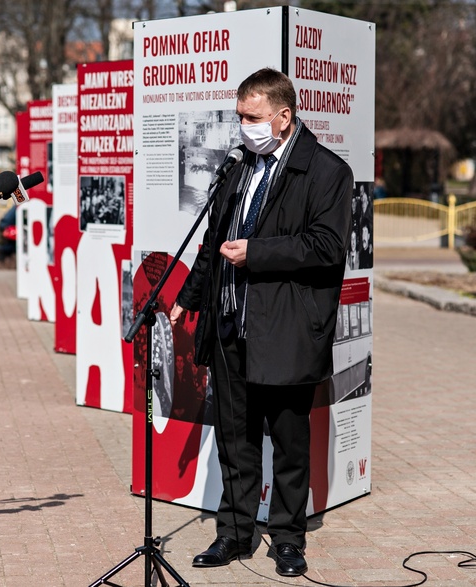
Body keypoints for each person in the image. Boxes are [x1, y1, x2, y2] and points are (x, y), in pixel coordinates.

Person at [170, 68, 352, 578]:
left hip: (287, 330)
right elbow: (213, 240)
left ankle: (289, 539)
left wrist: (258, 253)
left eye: (251, 117)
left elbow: (326, 247)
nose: (242, 126)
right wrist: (190, 295)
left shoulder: (325, 171)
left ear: (283, 116)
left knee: (290, 444)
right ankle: (233, 533)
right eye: (239, 116)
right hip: (231, 324)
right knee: (235, 438)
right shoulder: (238, 168)